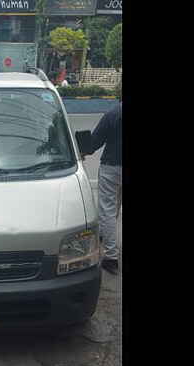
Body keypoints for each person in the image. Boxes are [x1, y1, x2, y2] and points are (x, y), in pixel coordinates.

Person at [89, 82, 122, 275]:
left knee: (108, 209)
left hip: (112, 167)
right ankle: (106, 238)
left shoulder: (113, 114)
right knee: (113, 208)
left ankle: (110, 256)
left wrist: (83, 151)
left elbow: (94, 141)